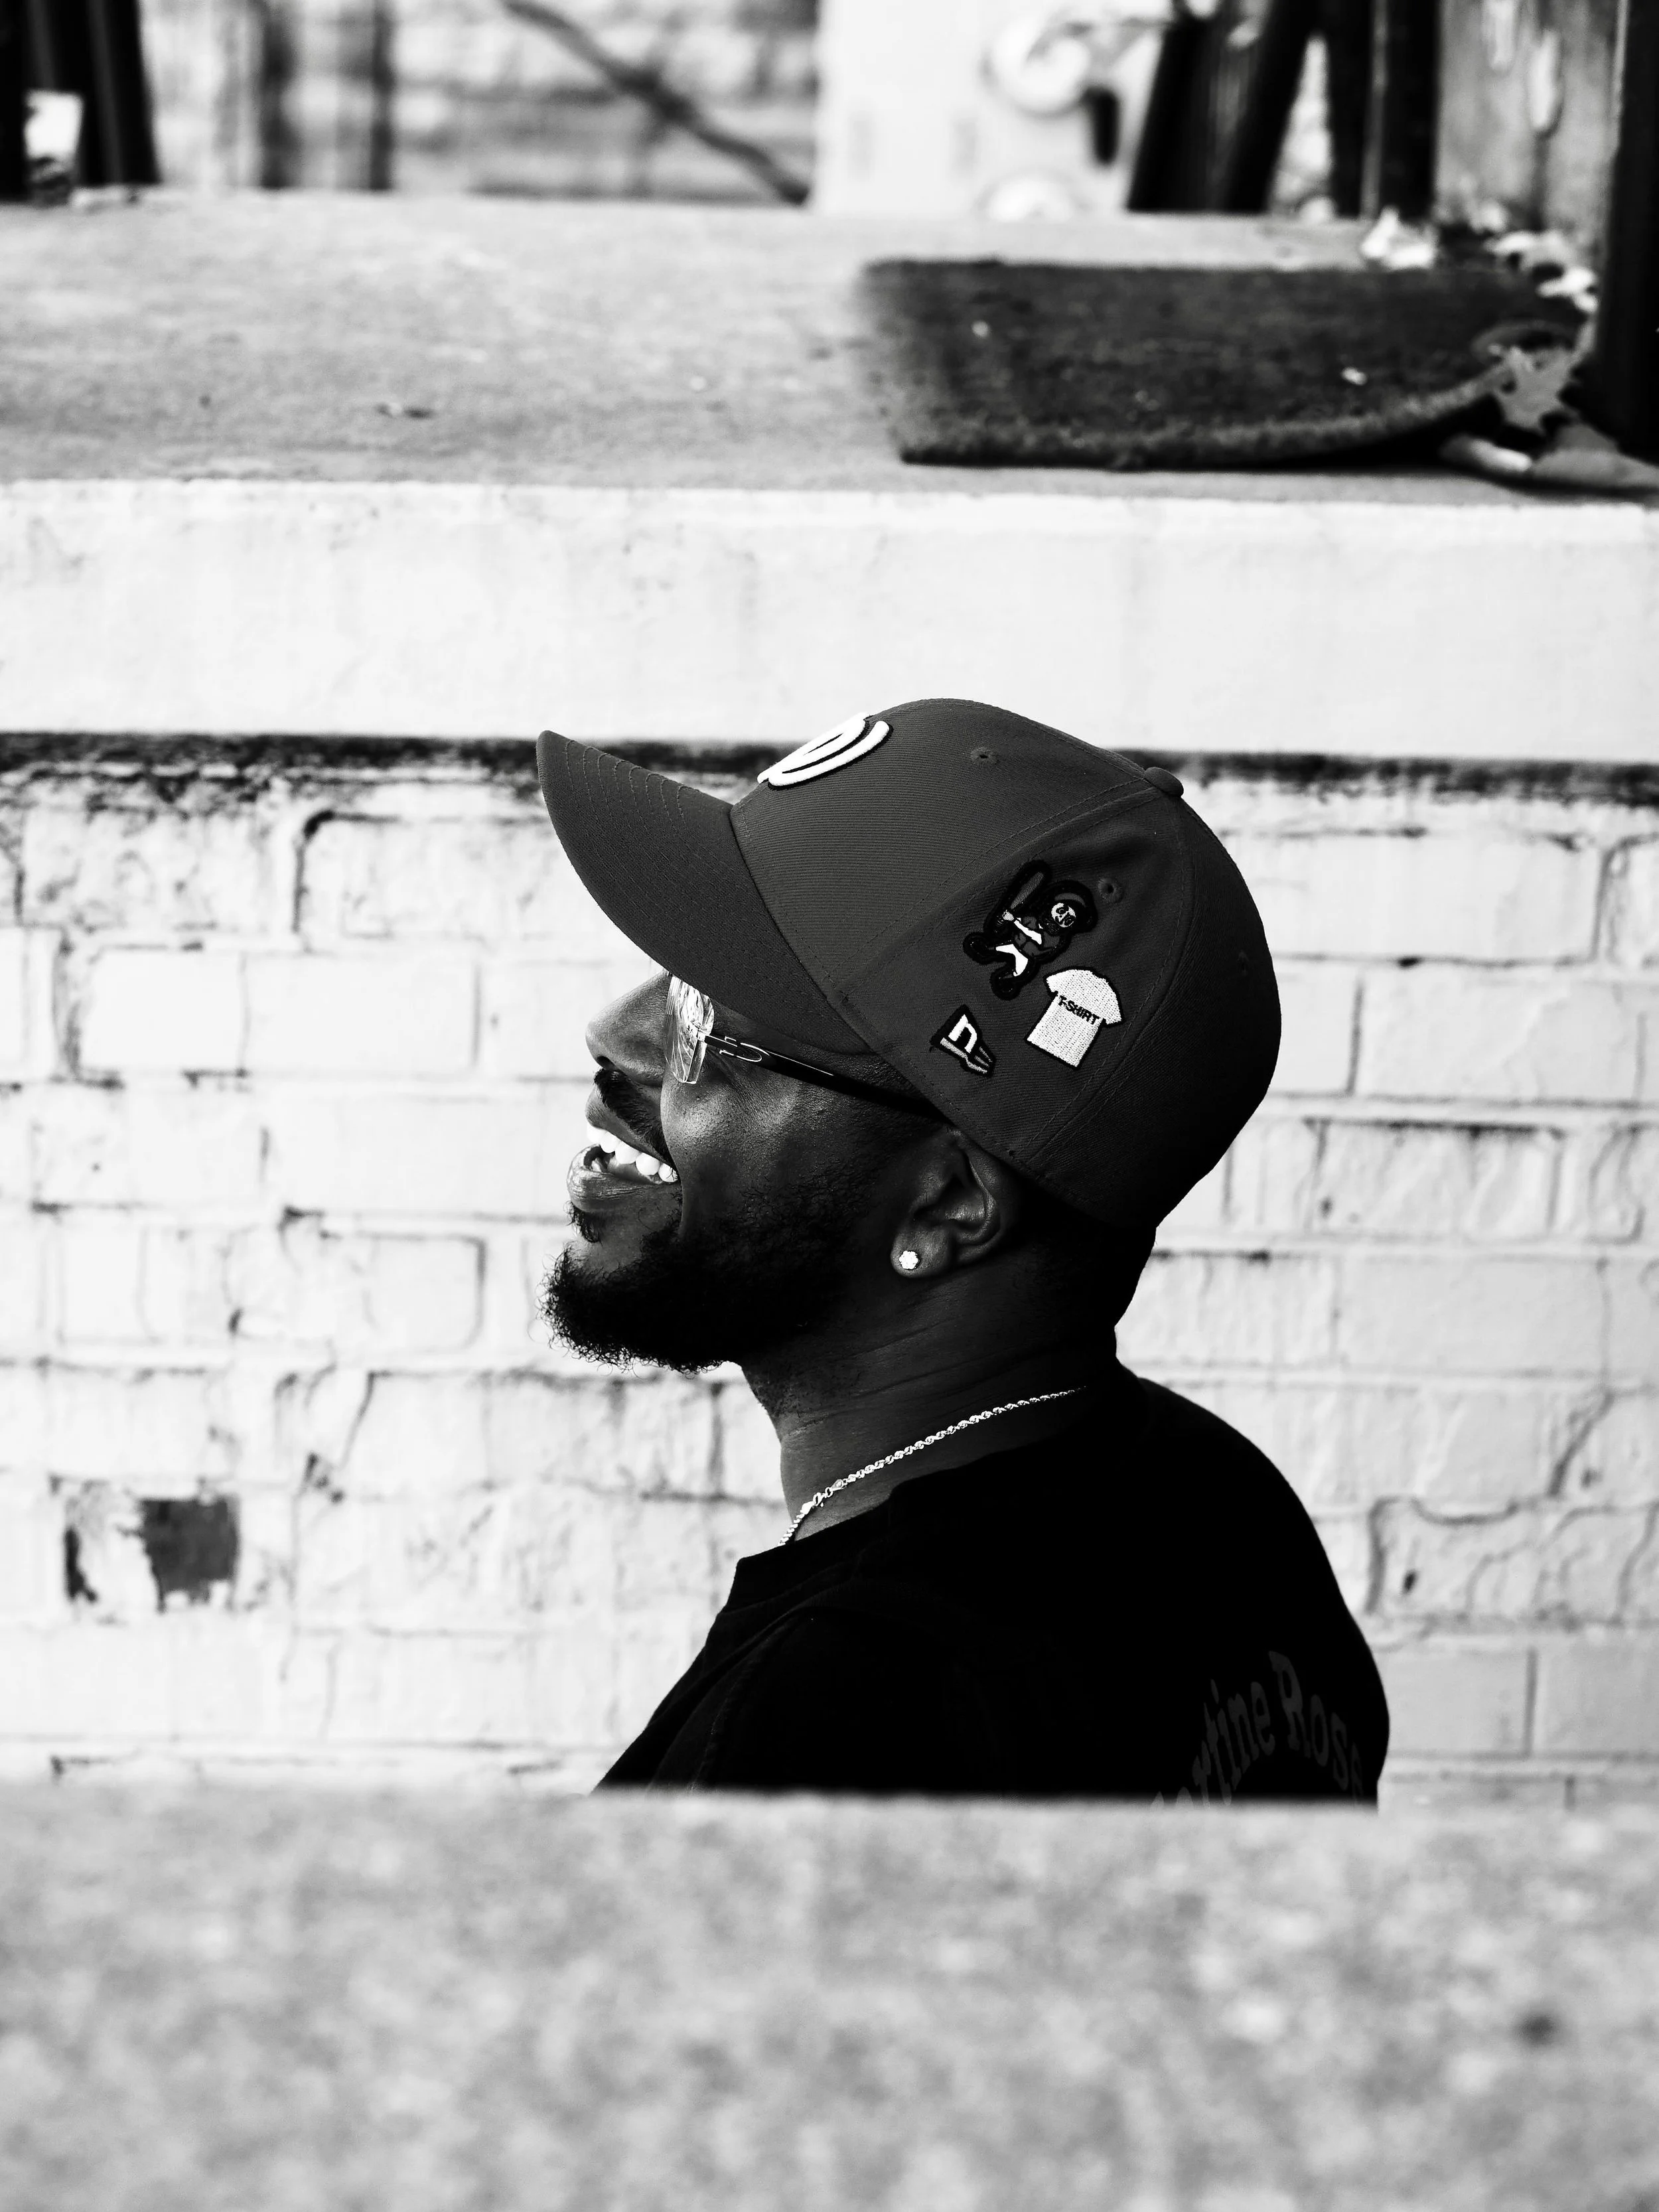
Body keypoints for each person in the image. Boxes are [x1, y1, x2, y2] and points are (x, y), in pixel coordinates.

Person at [538, 698, 1389, 1802]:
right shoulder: (1213, 1505)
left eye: (707, 1021)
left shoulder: (840, 1721)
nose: (619, 1034)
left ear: (944, 1208)